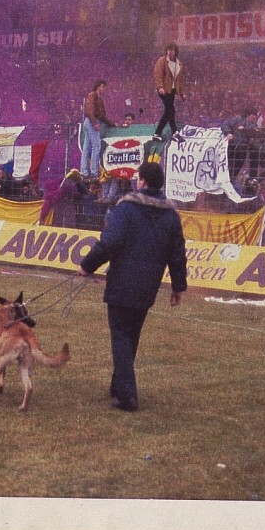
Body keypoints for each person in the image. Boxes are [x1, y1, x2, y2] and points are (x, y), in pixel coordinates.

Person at [78, 161, 188, 412]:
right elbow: (177, 253)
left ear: (143, 182)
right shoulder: (171, 215)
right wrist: (177, 287)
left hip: (122, 282)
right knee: (131, 335)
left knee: (121, 336)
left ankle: (127, 395)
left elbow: (110, 242)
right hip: (148, 285)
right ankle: (119, 385)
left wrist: (87, 265)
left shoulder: (127, 208)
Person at [81, 79, 115, 178]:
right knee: (96, 146)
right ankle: (94, 171)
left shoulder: (98, 98)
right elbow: (89, 110)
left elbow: (102, 116)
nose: (104, 89)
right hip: (92, 122)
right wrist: (94, 122)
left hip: (90, 122)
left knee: (87, 148)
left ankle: (85, 172)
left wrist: (112, 123)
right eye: (103, 87)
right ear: (98, 86)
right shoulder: (92, 95)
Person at [152, 43, 186, 140]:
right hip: (163, 90)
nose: (170, 52)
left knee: (168, 111)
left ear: (176, 52)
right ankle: (175, 133)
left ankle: (157, 133)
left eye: (172, 50)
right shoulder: (162, 61)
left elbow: (179, 80)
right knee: (171, 110)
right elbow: (158, 75)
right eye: (169, 50)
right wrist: (160, 87)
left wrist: (182, 93)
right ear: (166, 51)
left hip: (172, 90)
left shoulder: (178, 64)